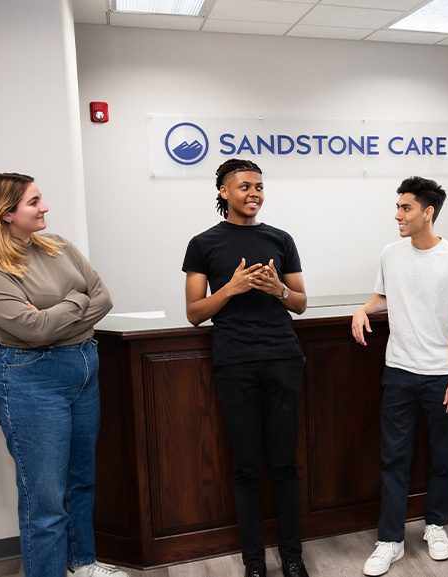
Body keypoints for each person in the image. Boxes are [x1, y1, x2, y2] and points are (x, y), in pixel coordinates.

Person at [0, 173, 124, 577]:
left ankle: (82, 564)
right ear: (6, 215)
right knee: (45, 500)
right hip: (29, 379)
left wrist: (54, 316)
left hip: (83, 367)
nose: (45, 207)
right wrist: (76, 301)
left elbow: (103, 297)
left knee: (80, 480)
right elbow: (33, 330)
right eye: (34, 202)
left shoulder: (59, 247)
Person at [182, 159, 309, 577]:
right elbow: (195, 313)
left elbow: (301, 303)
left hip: (282, 358)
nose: (253, 193)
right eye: (244, 187)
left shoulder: (280, 238)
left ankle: (292, 557)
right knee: (247, 466)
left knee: (285, 464)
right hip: (235, 362)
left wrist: (279, 289)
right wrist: (232, 288)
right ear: (223, 192)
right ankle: (253, 562)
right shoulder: (203, 243)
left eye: (259, 187)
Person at [351, 176, 448, 576]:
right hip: (399, 373)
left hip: (442, 376)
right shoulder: (391, 254)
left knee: (443, 457)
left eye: (405, 208)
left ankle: (436, 525)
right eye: (398, 207)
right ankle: (389, 539)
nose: (398, 215)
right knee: (394, 458)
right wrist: (362, 309)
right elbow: (385, 296)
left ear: (428, 212)